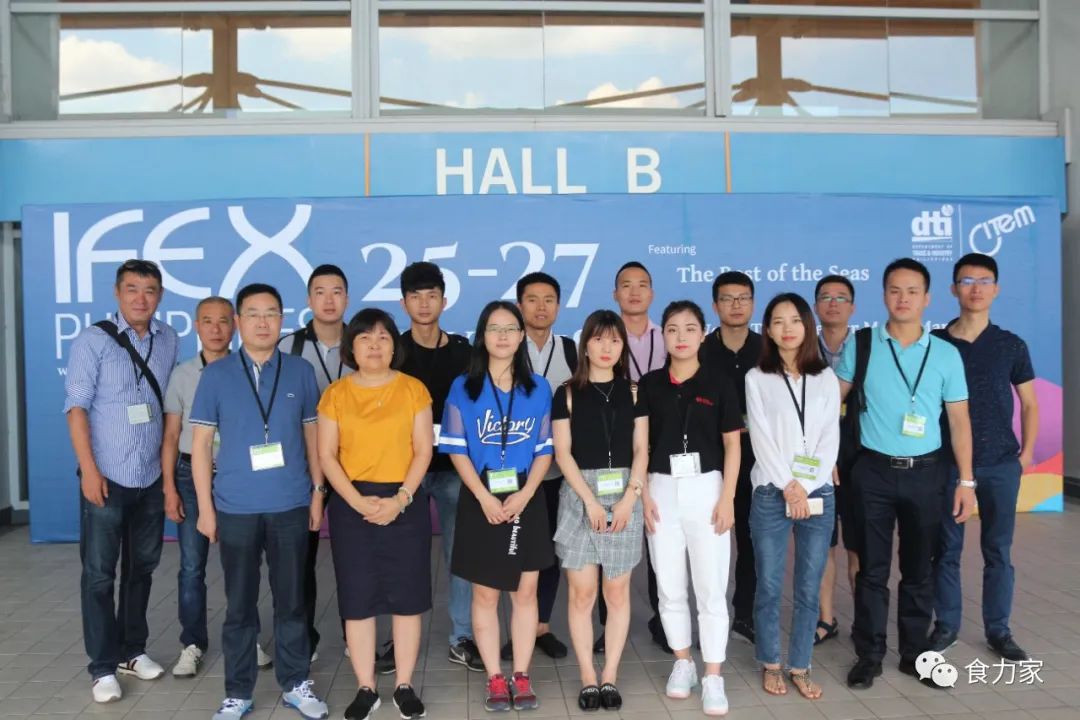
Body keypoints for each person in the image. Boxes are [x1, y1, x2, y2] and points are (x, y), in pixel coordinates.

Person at [190, 283, 329, 720]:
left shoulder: (300, 371)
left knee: (292, 600)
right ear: (238, 322)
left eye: (271, 313)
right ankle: (238, 691)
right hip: (235, 507)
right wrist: (206, 509)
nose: (263, 322)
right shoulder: (216, 375)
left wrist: (318, 492)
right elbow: (200, 446)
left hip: (290, 502)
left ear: (282, 320)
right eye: (252, 314)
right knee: (239, 606)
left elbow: (312, 435)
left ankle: (296, 682)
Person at [836, 258, 976, 691]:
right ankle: (869, 655)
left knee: (919, 570)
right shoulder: (862, 345)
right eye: (895, 290)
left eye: (912, 291)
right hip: (873, 472)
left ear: (927, 298)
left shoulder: (946, 354)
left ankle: (915, 654)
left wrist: (966, 481)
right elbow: (830, 403)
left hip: (927, 474)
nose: (903, 299)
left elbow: (959, 421)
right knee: (871, 570)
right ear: (884, 295)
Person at [64, 259, 179, 702]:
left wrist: (167, 478)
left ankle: (133, 650)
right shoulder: (92, 340)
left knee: (141, 569)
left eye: (149, 290)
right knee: (98, 575)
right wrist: (89, 470)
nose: (140, 298)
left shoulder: (168, 338)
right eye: (132, 289)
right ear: (117, 292)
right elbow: (76, 409)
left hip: (150, 476)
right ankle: (102, 667)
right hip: (107, 477)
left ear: (160, 295)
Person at [317, 308, 433, 720]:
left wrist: (400, 500)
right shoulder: (336, 394)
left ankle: (404, 684)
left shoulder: (413, 389)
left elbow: (423, 450)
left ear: (394, 346)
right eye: (365, 338)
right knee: (358, 600)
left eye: (383, 337)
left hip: (404, 501)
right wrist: (355, 501)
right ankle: (366, 687)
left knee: (407, 598)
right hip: (352, 505)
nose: (375, 345)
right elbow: (327, 455)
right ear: (351, 346)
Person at [439, 301, 555, 712]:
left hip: (527, 495)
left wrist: (526, 494)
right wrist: (483, 497)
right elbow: (456, 449)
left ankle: (520, 674)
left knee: (525, 592)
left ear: (522, 336)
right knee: (485, 594)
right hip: (480, 495)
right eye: (493, 328)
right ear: (481, 336)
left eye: (510, 329)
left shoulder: (538, 388)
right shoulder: (463, 387)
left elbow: (544, 448)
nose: (502, 336)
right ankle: (494, 677)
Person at [930, 253, 1038, 662]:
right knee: (946, 549)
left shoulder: (1011, 344)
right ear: (953, 288)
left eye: (984, 281)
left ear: (996, 289)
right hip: (948, 464)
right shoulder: (936, 343)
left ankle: (999, 631)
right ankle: (946, 626)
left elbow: (1029, 403)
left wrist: (1026, 454)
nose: (975, 288)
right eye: (967, 280)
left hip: (1000, 464)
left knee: (998, 551)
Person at [639, 300, 742, 717]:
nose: (680, 337)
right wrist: (643, 494)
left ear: (703, 334)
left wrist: (728, 497)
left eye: (689, 329)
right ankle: (683, 661)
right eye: (672, 329)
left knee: (712, 587)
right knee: (669, 585)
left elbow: (733, 444)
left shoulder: (719, 382)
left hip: (708, 488)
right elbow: (641, 445)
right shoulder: (650, 384)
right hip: (660, 489)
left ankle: (713, 674)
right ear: (662, 335)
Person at [552, 310, 648, 712]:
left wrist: (630, 497)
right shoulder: (566, 393)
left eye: (614, 340)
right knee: (582, 593)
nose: (606, 347)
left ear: (622, 346)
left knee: (616, 591)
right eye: (598, 339)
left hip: (625, 494)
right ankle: (588, 677)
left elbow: (641, 449)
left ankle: (609, 675)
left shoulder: (635, 392)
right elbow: (563, 453)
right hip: (580, 497)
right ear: (585, 345)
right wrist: (590, 500)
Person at [746, 293, 840, 701]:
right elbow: (761, 439)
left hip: (817, 493)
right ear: (768, 330)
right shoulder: (757, 377)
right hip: (771, 491)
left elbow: (829, 438)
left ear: (807, 326)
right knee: (768, 585)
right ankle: (770, 663)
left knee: (808, 586)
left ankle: (800, 666)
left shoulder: (826, 378)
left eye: (795, 320)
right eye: (778, 321)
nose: (787, 328)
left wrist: (807, 483)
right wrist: (789, 485)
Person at [396, 262, 482, 671]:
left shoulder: (464, 352)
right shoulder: (392, 350)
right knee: (403, 557)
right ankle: (399, 638)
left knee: (459, 555)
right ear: (404, 303)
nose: (424, 303)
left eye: (432, 296)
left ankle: (461, 635)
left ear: (444, 301)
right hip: (404, 471)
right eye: (415, 296)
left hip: (454, 470)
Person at [278, 263, 354, 664]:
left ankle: (355, 634)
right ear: (309, 299)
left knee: (354, 558)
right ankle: (302, 637)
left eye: (336, 291)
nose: (328, 300)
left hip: (353, 468)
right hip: (301, 469)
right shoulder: (288, 347)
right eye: (320, 292)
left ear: (347, 298)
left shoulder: (363, 343)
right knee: (298, 559)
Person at [162, 296, 235, 678]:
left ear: (234, 325)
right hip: (191, 476)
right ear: (196, 326)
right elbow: (172, 436)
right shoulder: (183, 374)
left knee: (242, 565)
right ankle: (192, 643)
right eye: (208, 321)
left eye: (223, 321)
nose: (216, 329)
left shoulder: (247, 370)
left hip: (237, 476)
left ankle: (245, 636)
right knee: (192, 567)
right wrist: (169, 488)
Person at [510, 272, 576, 661]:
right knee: (514, 551)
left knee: (549, 552)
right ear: (519, 306)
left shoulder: (570, 349)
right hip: (514, 475)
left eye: (549, 299)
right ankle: (518, 626)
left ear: (558, 306)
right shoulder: (506, 346)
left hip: (556, 473)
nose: (540, 307)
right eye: (532, 299)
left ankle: (541, 626)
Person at [606, 260, 669, 653]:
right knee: (610, 538)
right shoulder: (604, 338)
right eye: (626, 285)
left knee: (659, 537)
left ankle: (665, 621)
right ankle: (607, 625)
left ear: (652, 293)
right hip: (615, 448)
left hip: (662, 446)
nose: (634, 291)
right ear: (615, 294)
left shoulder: (669, 336)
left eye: (642, 284)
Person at [699, 271, 759, 645]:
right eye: (727, 298)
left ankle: (746, 615)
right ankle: (710, 614)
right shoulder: (701, 349)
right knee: (710, 541)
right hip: (711, 461)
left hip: (758, 459)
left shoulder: (768, 348)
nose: (735, 305)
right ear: (715, 305)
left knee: (752, 541)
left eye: (743, 298)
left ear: (752, 303)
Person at [811, 275, 859, 646]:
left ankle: (863, 619)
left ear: (852, 307)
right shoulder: (802, 347)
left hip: (859, 456)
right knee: (822, 544)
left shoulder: (868, 347)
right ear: (815, 306)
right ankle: (826, 619)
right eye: (826, 297)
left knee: (859, 545)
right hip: (815, 457)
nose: (833, 303)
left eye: (841, 297)